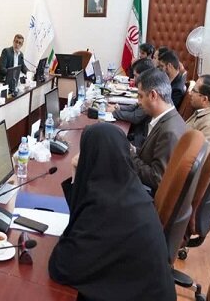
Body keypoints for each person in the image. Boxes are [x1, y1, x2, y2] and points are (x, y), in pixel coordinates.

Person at [49, 123, 176, 301]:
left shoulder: (107, 209)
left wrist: (82, 172)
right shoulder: (127, 190)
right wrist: (78, 175)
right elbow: (80, 217)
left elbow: (61, 267)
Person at [130, 68, 187, 194]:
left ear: (153, 95)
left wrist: (130, 154)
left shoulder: (169, 132)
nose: (138, 102)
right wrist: (134, 149)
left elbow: (157, 178)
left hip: (146, 195)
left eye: (140, 96)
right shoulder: (168, 119)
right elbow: (151, 155)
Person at [107, 58, 155, 147]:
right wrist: (119, 107)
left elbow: (135, 117)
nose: (133, 79)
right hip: (136, 132)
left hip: (138, 138)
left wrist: (114, 112)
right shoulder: (146, 87)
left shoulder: (150, 92)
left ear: (144, 75)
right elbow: (135, 106)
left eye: (136, 76)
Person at [186, 74, 210, 149]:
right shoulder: (202, 112)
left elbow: (199, 154)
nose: (190, 93)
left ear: (204, 99)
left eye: (194, 90)